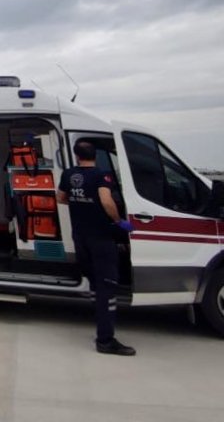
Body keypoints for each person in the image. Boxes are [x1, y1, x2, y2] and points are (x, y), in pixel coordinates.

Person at [57, 140, 137, 356]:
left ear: (76, 155)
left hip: (80, 238)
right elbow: (107, 201)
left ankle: (100, 322)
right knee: (107, 288)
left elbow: (61, 198)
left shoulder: (67, 174)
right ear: (95, 155)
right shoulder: (102, 175)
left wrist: (79, 203)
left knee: (95, 284)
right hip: (101, 238)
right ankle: (105, 340)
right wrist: (119, 221)